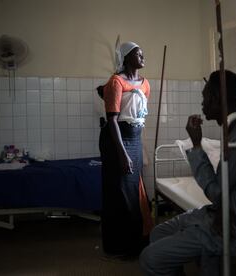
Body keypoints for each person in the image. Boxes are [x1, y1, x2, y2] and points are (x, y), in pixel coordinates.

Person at [139, 70, 236, 275]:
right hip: (220, 213)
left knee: (150, 258)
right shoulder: (233, 131)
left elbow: (217, 191)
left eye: (205, 97)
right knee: (159, 232)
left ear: (216, 99)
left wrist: (197, 145)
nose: (202, 103)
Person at [98, 41, 153, 258]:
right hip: (116, 141)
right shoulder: (115, 82)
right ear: (126, 58)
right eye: (138, 54)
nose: (142, 57)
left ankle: (136, 241)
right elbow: (112, 120)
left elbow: (140, 117)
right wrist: (122, 154)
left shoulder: (145, 84)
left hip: (135, 138)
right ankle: (117, 246)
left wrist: (137, 147)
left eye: (142, 53)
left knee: (135, 191)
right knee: (119, 192)